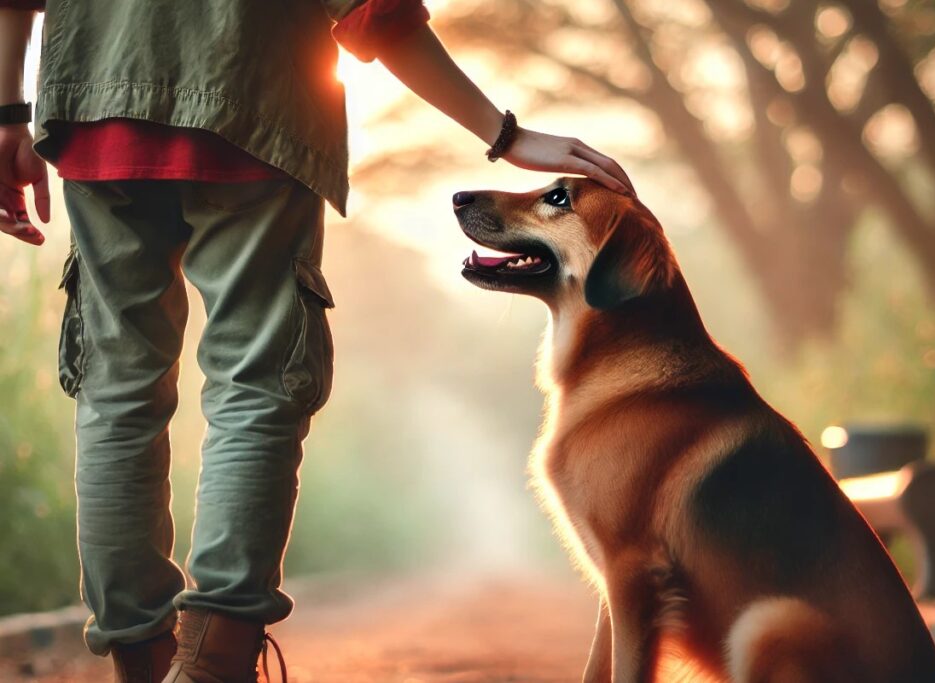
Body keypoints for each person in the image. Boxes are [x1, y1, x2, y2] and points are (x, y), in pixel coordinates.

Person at [0, 0, 633, 681]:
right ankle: (213, 662)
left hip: (95, 109)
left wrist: (8, 114)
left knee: (116, 395)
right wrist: (505, 135)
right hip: (250, 103)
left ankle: (142, 662)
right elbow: (374, 13)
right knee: (254, 386)